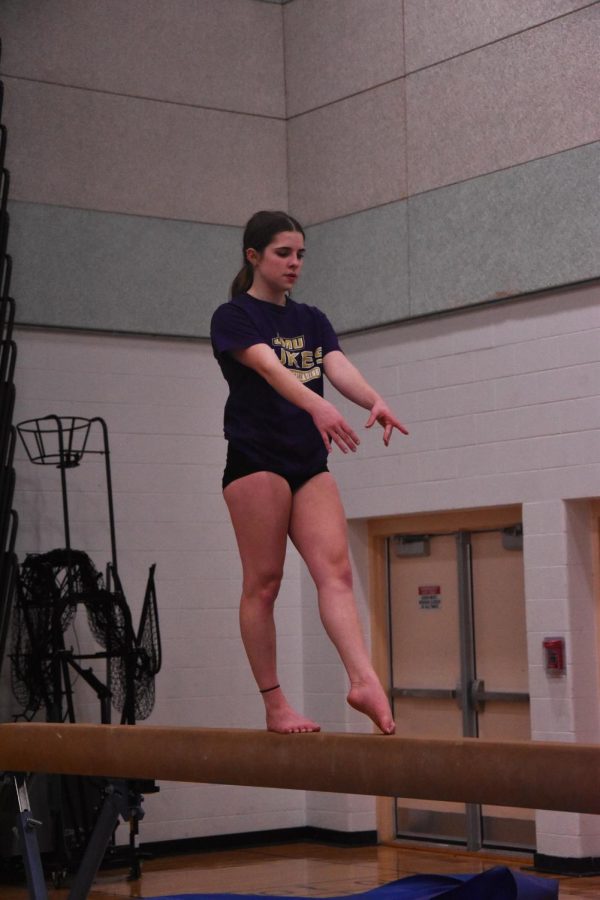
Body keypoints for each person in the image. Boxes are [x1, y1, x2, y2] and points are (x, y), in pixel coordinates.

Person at [210, 210, 408, 735]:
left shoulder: (311, 319)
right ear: (254, 256)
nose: (295, 263)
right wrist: (318, 408)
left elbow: (336, 366)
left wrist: (374, 399)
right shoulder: (233, 317)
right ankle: (276, 706)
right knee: (265, 583)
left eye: (300, 254)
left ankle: (363, 679)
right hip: (256, 461)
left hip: (306, 461)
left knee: (336, 573)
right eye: (283, 253)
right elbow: (272, 369)